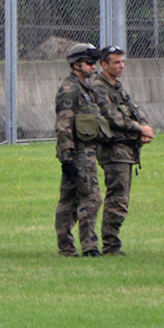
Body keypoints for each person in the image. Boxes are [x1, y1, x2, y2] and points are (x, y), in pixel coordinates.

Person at [92, 46, 156, 256]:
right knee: (117, 198)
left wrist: (144, 128)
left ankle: (111, 243)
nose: (122, 66)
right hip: (113, 151)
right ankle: (111, 245)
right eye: (116, 62)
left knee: (121, 198)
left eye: (123, 62)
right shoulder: (100, 88)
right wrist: (139, 130)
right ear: (104, 64)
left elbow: (135, 110)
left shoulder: (116, 87)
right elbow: (113, 117)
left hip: (126, 149)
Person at [54, 43, 108, 257]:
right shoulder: (70, 90)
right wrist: (67, 156)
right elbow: (63, 123)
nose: (93, 67)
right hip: (78, 152)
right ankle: (89, 246)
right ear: (76, 64)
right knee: (91, 197)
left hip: (85, 150)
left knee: (68, 199)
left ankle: (66, 248)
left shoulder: (86, 89)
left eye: (94, 63)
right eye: (88, 63)